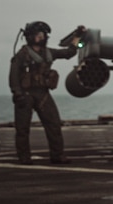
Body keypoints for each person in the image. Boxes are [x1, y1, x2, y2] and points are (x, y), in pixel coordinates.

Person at [9, 21, 82, 164]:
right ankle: (24, 157)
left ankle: (57, 155)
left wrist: (77, 38)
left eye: (42, 34)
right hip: (25, 94)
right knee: (22, 128)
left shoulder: (49, 53)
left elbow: (69, 53)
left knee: (54, 124)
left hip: (43, 93)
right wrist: (17, 93)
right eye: (38, 34)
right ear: (30, 36)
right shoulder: (22, 55)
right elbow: (13, 75)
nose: (41, 37)